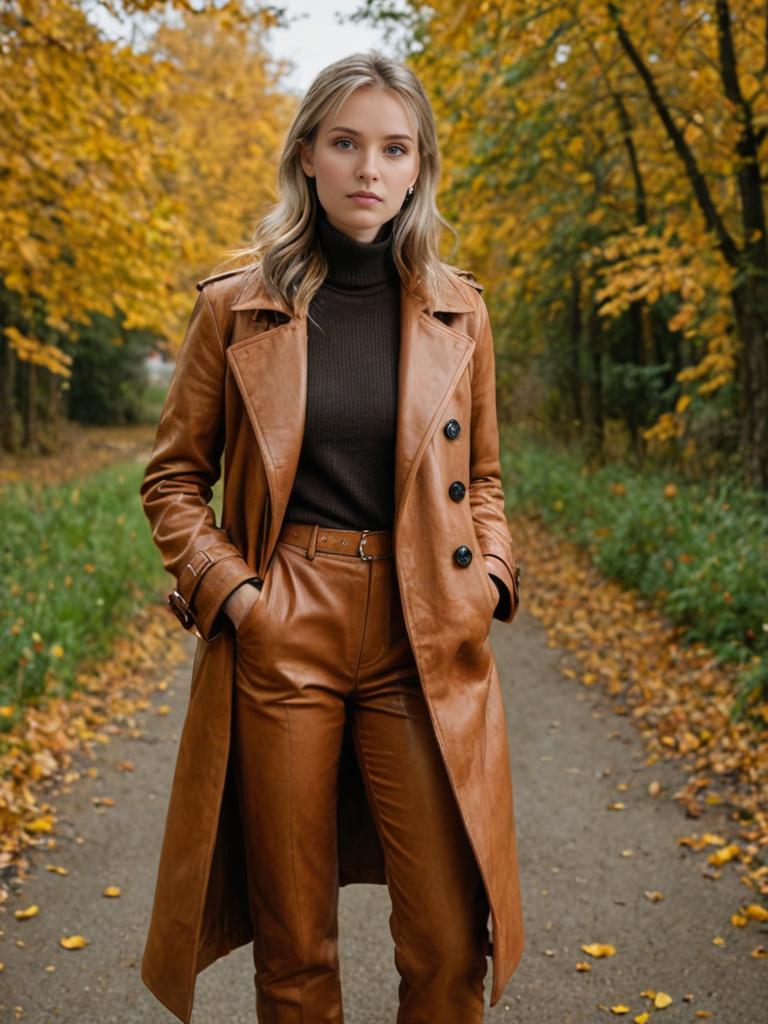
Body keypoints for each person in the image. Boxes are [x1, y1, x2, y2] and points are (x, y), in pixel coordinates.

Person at [139, 50, 524, 1024]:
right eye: (346, 142)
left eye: (395, 148)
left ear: (418, 168)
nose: (369, 168)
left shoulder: (459, 309)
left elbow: (482, 480)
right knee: (295, 941)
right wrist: (237, 597)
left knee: (445, 939)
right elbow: (175, 477)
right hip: (286, 621)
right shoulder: (237, 306)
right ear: (306, 155)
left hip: (423, 629)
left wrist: (491, 583)